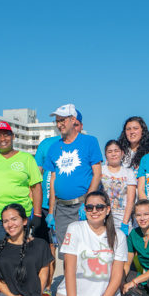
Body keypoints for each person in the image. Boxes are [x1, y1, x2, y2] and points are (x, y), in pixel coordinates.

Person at [57, 189, 126, 296]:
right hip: (74, 295)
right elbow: (69, 271)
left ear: (107, 209)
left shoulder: (119, 236)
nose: (94, 211)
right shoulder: (74, 228)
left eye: (99, 207)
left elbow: (117, 275)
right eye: (89, 207)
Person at [44, 104, 102, 254]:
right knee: (66, 252)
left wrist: (89, 203)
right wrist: (51, 212)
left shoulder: (90, 141)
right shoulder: (54, 148)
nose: (59, 124)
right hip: (61, 208)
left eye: (63, 120)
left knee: (87, 250)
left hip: (83, 205)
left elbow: (97, 173)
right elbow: (52, 181)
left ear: (72, 120)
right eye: (57, 121)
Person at [0, 121, 42, 245]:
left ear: (13, 136)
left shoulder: (27, 158)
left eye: (6, 135)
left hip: (20, 217)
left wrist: (37, 215)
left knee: (21, 255)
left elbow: (36, 187)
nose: (2, 139)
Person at [100, 139, 136, 232]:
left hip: (122, 219)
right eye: (110, 151)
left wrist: (125, 222)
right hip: (102, 218)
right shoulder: (100, 170)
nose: (113, 154)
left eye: (116, 151)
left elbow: (130, 200)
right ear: (105, 155)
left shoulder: (129, 172)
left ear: (122, 153)